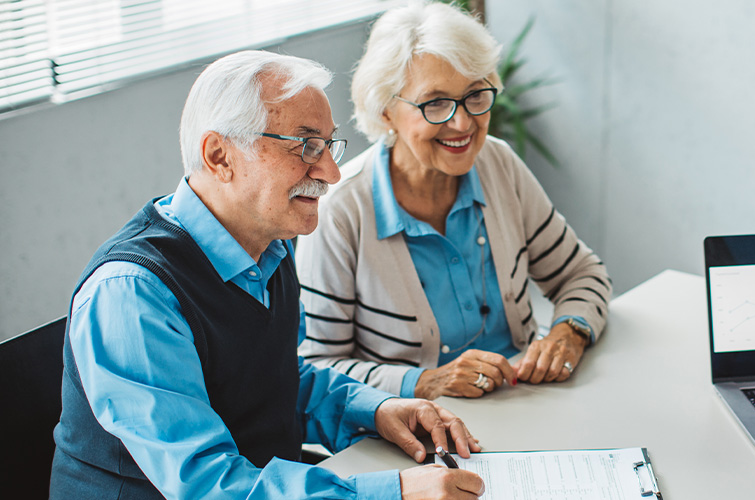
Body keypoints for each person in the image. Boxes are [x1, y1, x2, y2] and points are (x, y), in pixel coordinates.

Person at [51, 50, 486, 500]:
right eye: (306, 146)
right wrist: (393, 493)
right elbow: (208, 484)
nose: (331, 173)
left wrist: (376, 408)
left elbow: (272, 379)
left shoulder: (270, 247)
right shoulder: (131, 293)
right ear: (220, 156)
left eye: (329, 146)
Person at [296, 1, 611, 400]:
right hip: (414, 435)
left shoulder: (498, 164)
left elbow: (582, 274)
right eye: (436, 103)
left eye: (476, 95)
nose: (463, 123)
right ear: (387, 110)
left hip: (527, 403)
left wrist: (569, 331)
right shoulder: (342, 211)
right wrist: (426, 382)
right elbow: (317, 368)